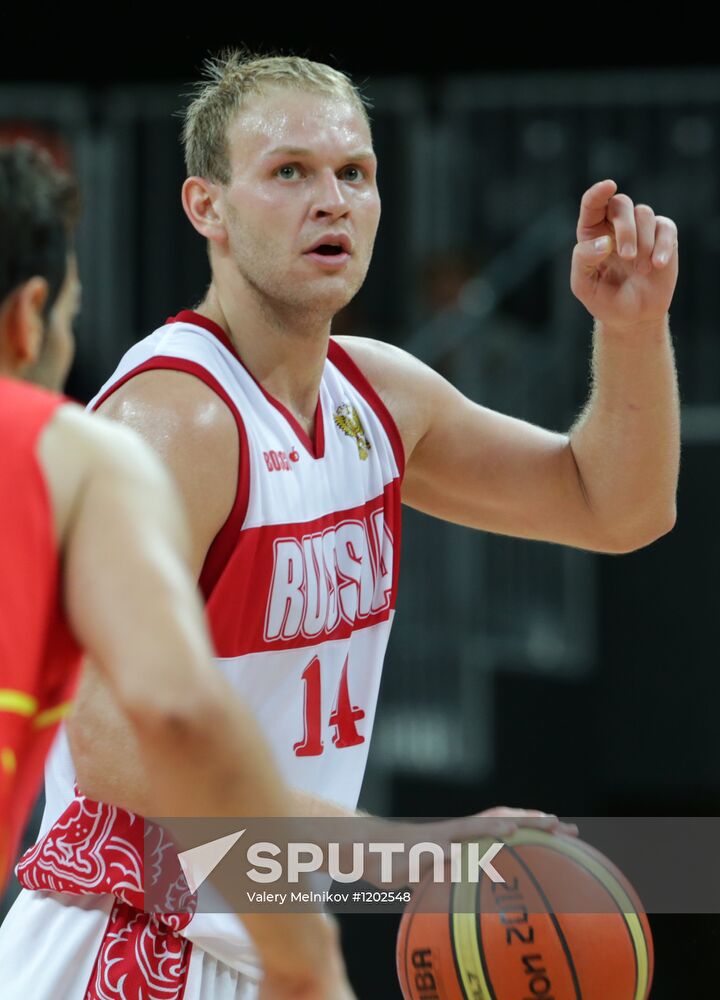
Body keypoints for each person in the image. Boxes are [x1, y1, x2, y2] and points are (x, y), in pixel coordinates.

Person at [0, 50, 680, 998]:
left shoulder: (378, 395)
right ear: (209, 208)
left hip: (259, 946)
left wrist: (633, 333)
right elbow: (115, 746)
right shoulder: (179, 421)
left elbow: (619, 509)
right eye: (290, 172)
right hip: (126, 944)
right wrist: (400, 855)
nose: (334, 200)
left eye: (354, 173)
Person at [0, 140, 356, 999]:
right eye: (74, 316)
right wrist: (313, 946)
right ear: (29, 316)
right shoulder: (68, 457)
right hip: (125, 935)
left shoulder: (369, 401)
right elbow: (172, 718)